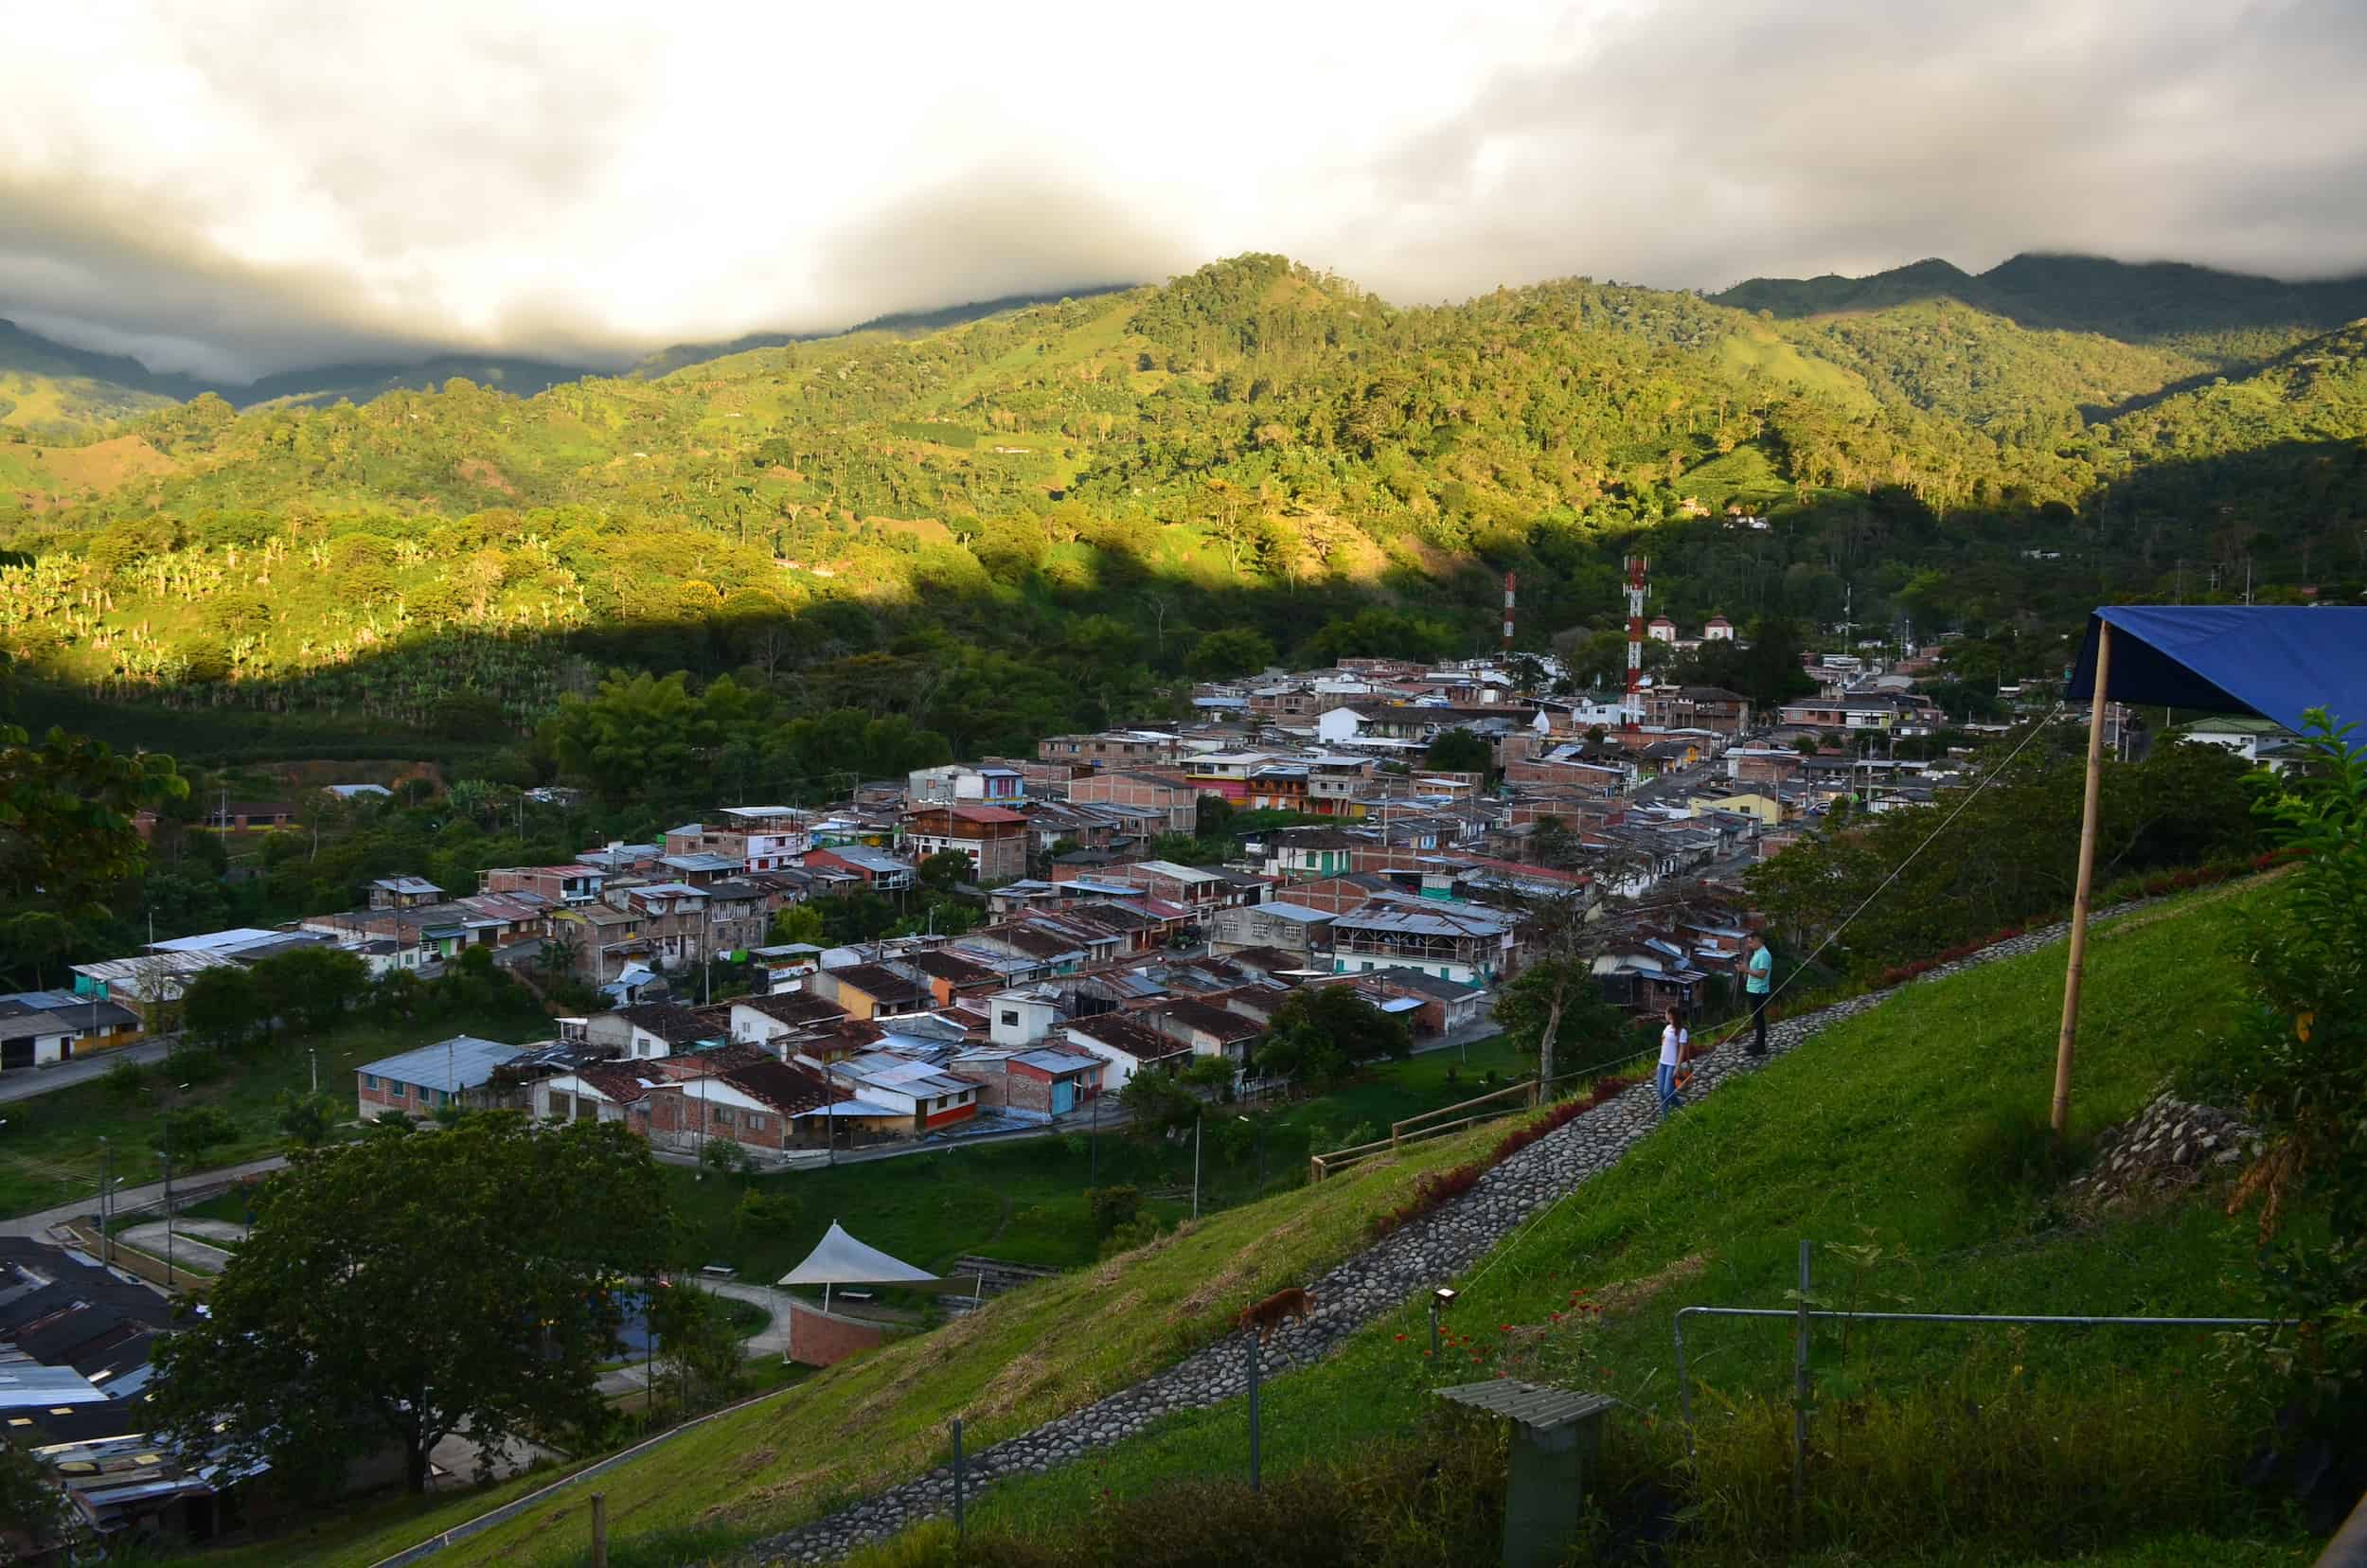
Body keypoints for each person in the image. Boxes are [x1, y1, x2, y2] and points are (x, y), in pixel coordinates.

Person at [1744, 932, 1773, 1057]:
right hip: (1753, 989)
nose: (1749, 945)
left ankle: (1761, 1047)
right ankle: (1757, 1043)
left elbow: (1762, 974)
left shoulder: (1764, 955)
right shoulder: (1757, 953)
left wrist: (1747, 970)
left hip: (1759, 991)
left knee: (1759, 1019)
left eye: (1751, 942)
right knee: (1756, 1019)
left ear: (1758, 941)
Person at [1656, 1005, 1686, 1117]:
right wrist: (1659, 1063)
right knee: (1660, 1091)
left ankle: (1680, 1107)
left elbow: (1682, 1051)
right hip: (1662, 1063)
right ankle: (1666, 1117)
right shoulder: (1666, 1028)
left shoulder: (1682, 1031)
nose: (1665, 1015)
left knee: (1667, 1092)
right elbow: (1663, 1046)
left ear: (1671, 1015)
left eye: (1666, 1013)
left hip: (1672, 1064)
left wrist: (1677, 1068)